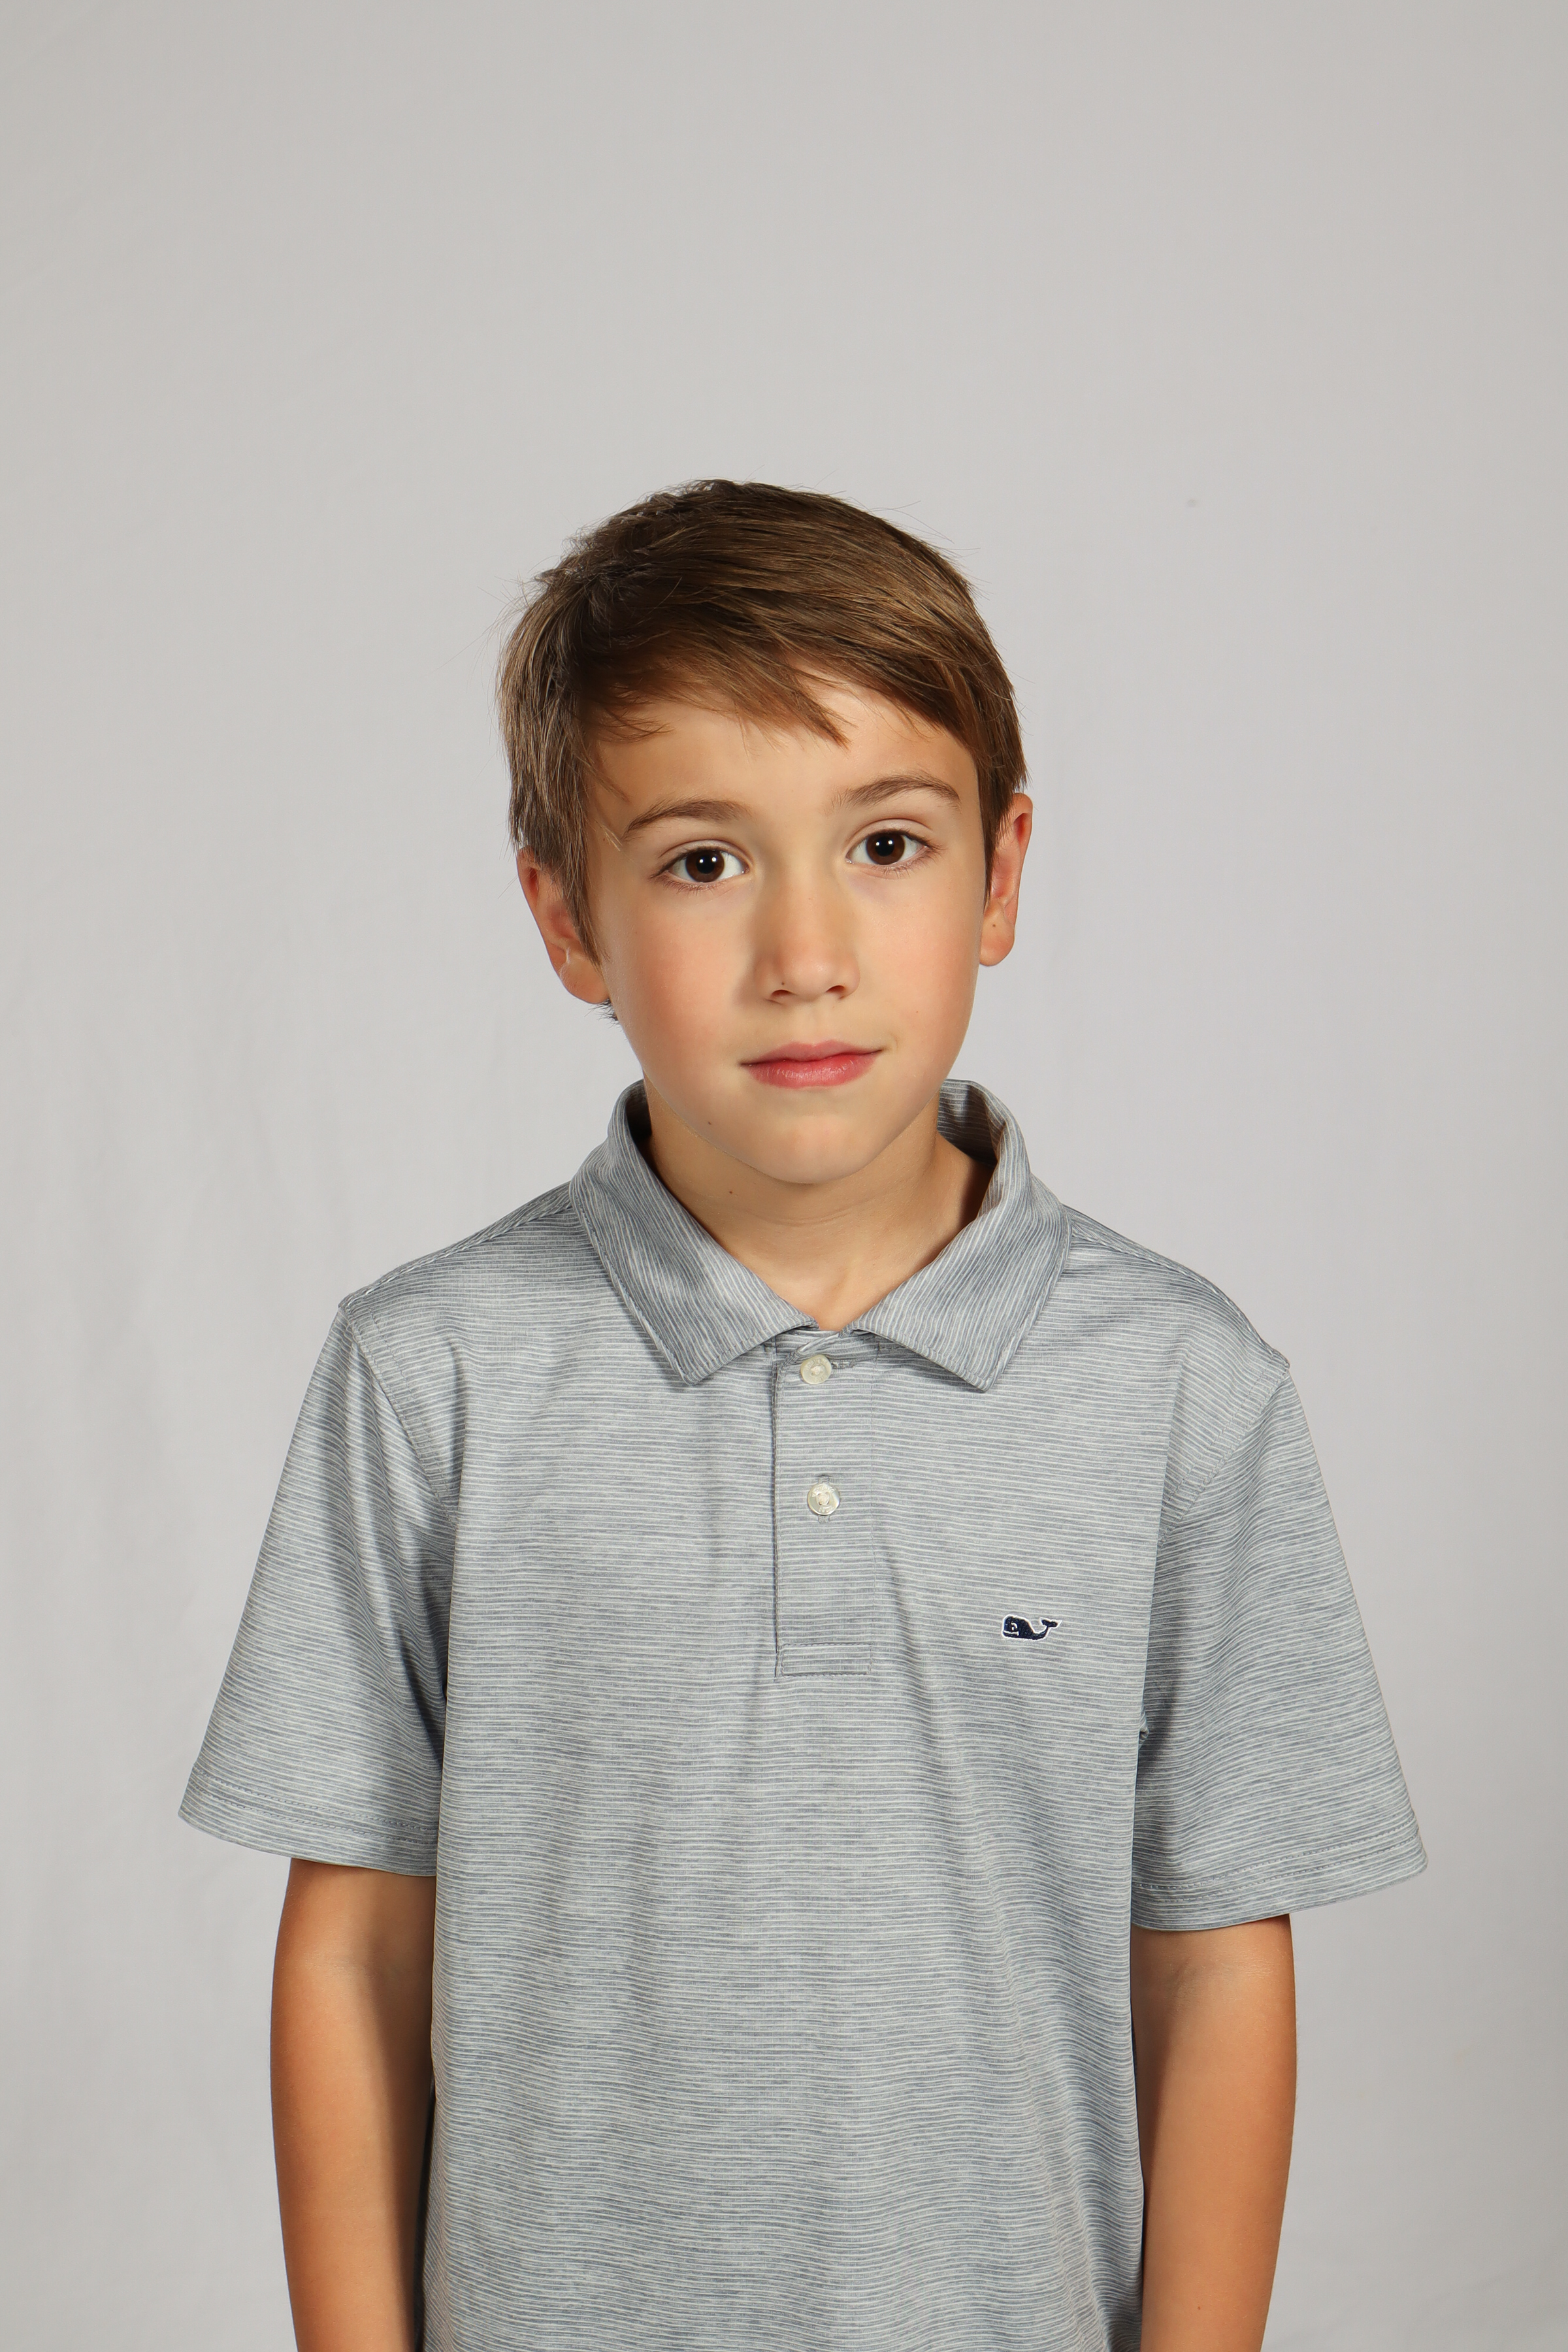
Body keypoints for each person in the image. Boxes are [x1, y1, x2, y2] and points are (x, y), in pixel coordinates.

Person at [182, 481, 1425, 2352]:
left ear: (1001, 877)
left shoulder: (1182, 1388)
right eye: (703, 862)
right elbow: (355, 1953)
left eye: (888, 844)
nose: (806, 950)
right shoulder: (429, 1373)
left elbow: (1218, 1961)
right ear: (567, 916)